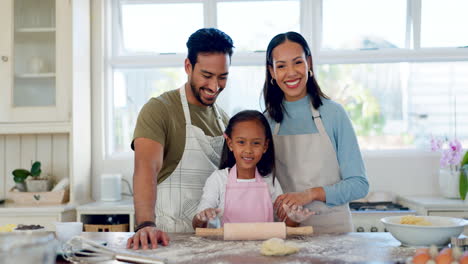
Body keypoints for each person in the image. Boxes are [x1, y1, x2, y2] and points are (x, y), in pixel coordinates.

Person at [126, 28, 234, 250]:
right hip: (168, 241)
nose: (214, 86)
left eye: (222, 77)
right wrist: (145, 224)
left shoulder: (224, 120)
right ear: (188, 67)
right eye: (206, 76)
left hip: (211, 244)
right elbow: (146, 168)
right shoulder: (160, 110)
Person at [263, 32, 369, 234]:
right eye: (281, 66)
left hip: (334, 232)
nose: (291, 72)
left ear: (309, 63)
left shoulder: (334, 114)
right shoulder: (267, 122)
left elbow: (359, 185)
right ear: (272, 72)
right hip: (286, 233)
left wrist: (309, 194)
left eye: (297, 62)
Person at [192, 110, 313, 229]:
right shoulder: (218, 179)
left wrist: (294, 219)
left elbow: (285, 222)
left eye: (256, 143)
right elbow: (198, 224)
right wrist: (203, 217)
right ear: (230, 143)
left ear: (265, 146)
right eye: (241, 142)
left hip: (265, 247)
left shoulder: (269, 181)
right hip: (227, 248)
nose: (248, 150)